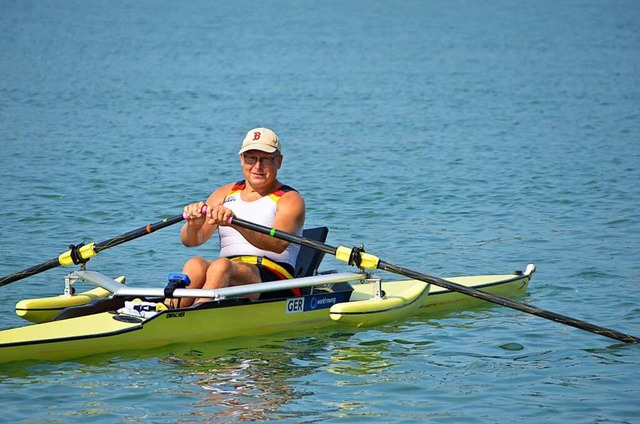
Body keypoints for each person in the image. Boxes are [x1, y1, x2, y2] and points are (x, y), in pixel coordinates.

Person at [169, 128, 305, 308]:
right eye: (251, 158)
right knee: (195, 264)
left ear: (279, 161)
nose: (257, 166)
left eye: (265, 159)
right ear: (242, 159)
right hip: (230, 273)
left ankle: (197, 312)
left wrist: (236, 223)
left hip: (274, 278)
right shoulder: (224, 193)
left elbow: (277, 244)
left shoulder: (289, 199)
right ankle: (167, 308)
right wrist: (194, 225)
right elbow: (191, 241)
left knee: (221, 267)